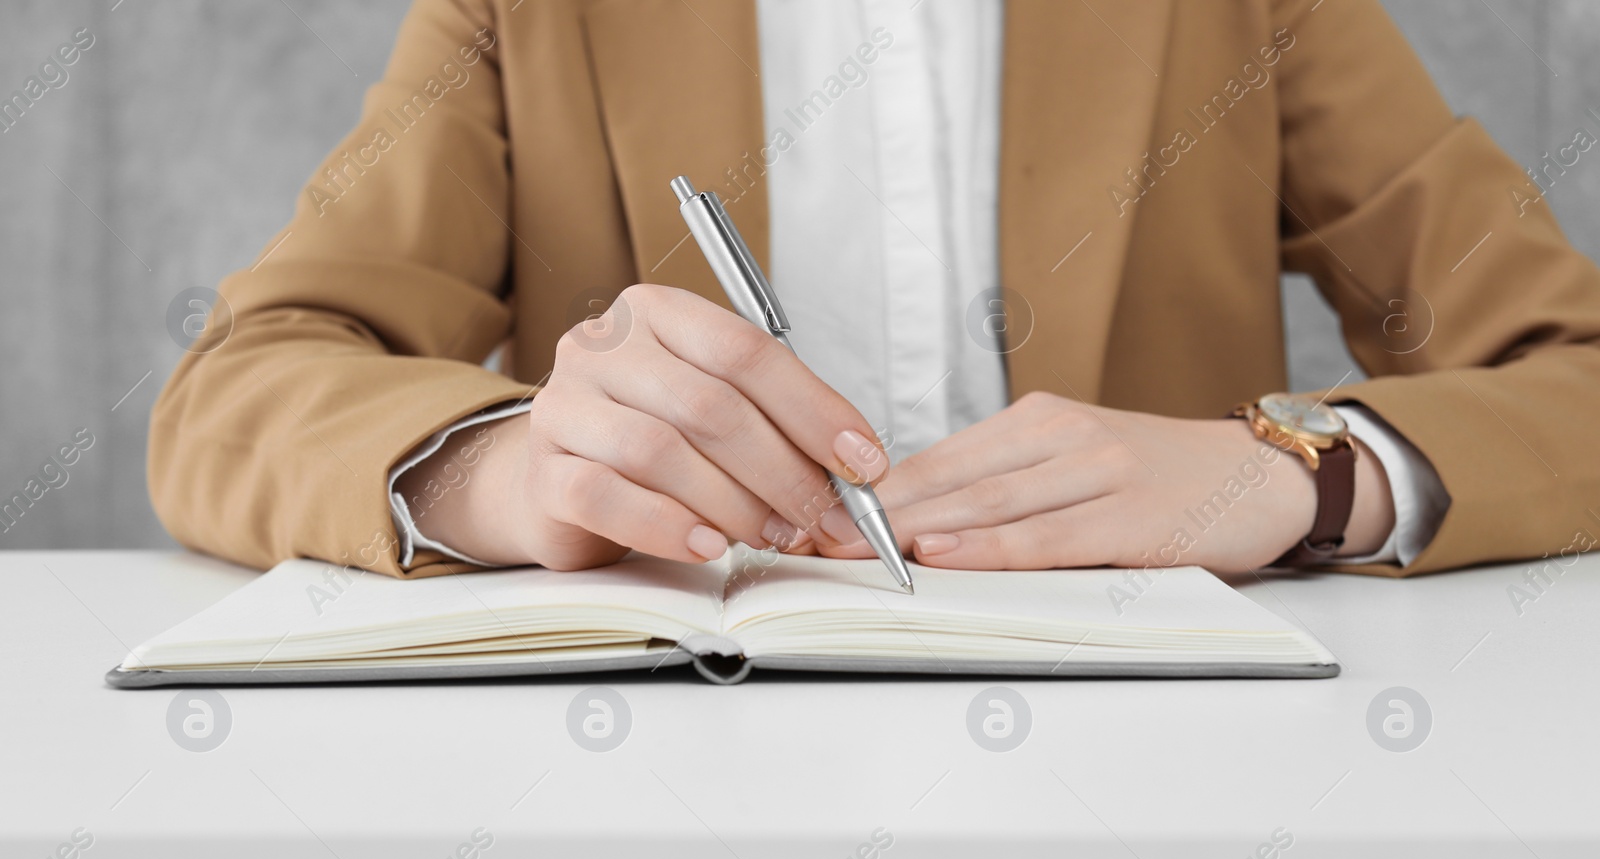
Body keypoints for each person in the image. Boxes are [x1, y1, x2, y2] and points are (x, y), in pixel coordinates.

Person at [149, 0, 1600, 581]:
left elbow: (1574, 371)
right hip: (653, 803)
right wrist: (515, 469)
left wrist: (1286, 470)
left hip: (1172, 807)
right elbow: (235, 390)